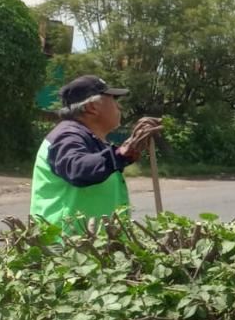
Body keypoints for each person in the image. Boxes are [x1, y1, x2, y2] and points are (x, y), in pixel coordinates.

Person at [30, 75, 162, 232]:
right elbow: (78, 169)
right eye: (114, 100)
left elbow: (100, 163)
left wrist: (127, 153)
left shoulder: (89, 138)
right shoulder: (66, 136)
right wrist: (120, 154)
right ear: (92, 107)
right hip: (69, 243)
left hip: (91, 242)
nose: (119, 107)